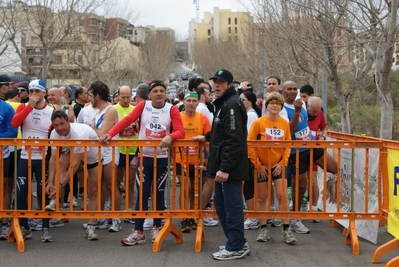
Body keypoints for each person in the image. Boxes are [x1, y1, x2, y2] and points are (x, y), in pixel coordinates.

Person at [99, 80, 184, 246]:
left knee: (158, 194)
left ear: (166, 94)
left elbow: (180, 131)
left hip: (161, 159)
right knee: (142, 193)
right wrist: (110, 133)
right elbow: (127, 120)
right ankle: (138, 232)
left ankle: (156, 228)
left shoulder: (172, 109)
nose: (159, 93)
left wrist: (171, 136)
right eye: (156, 91)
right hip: (144, 158)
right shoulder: (143, 106)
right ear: (150, 94)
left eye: (162, 91)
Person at [193, 69, 250, 260]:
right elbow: (222, 130)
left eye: (221, 82)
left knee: (231, 206)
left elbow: (234, 139)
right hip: (224, 165)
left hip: (230, 168)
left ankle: (236, 245)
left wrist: (225, 168)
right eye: (215, 82)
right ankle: (236, 241)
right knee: (221, 203)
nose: (216, 85)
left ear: (230, 85)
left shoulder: (232, 105)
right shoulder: (224, 103)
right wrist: (206, 136)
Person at [280, 81, 337, 234]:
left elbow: (309, 119)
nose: (292, 92)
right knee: (301, 184)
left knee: (335, 168)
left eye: (294, 89)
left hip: (310, 145)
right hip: (295, 151)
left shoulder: (302, 103)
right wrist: (297, 112)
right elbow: (288, 131)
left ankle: (341, 208)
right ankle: (295, 218)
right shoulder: (282, 109)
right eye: (288, 89)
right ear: (282, 91)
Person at [247, 92, 297, 244]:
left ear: (281, 106)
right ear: (266, 106)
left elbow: (288, 144)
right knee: (262, 197)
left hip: (279, 166)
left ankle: (286, 229)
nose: (274, 105)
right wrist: (258, 165)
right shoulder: (259, 123)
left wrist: (282, 163)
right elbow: (250, 144)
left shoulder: (284, 124)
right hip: (261, 165)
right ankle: (263, 228)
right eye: (271, 103)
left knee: (282, 195)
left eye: (277, 103)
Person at [45, 111, 101, 240]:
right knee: (62, 161)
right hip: (76, 152)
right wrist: (51, 182)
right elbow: (53, 159)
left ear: (69, 122)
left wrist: (61, 185)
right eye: (56, 125)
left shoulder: (79, 133)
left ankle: (90, 227)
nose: (59, 128)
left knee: (93, 190)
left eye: (62, 124)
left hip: (93, 156)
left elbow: (75, 165)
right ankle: (55, 201)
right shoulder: (54, 133)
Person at [11, 79, 53, 242]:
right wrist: (29, 105)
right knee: (21, 193)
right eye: (31, 91)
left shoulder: (51, 111)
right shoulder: (23, 107)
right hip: (24, 157)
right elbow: (14, 123)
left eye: (37, 91)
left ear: (44, 93)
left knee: (44, 194)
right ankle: (24, 226)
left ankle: (45, 227)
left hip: (43, 158)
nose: (34, 94)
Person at [177, 91, 211, 232]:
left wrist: (209, 158)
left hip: (198, 160)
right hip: (181, 159)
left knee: (194, 190)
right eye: (188, 100)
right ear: (183, 102)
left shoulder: (203, 118)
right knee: (186, 188)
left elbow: (209, 140)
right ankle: (185, 217)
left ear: (198, 103)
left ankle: (192, 215)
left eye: (193, 101)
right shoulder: (177, 118)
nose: (191, 103)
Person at [239, 90, 261, 231]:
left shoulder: (251, 116)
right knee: (247, 186)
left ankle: (253, 217)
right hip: (246, 155)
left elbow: (249, 138)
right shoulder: (248, 114)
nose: (240, 102)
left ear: (250, 102)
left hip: (248, 156)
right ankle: (252, 215)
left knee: (248, 187)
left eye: (243, 99)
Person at [113, 85, 137, 212]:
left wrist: (134, 126)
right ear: (118, 96)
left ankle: (128, 208)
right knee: (116, 180)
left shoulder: (135, 109)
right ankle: (115, 208)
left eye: (128, 97)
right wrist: (122, 128)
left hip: (132, 148)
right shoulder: (113, 109)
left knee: (130, 181)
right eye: (123, 97)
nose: (126, 100)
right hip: (118, 148)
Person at [0, 80, 18, 240]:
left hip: (4, 154)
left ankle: (5, 223)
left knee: (5, 186)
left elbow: (13, 131)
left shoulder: (6, 108)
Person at [306, 96, 328, 222]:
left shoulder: (319, 113)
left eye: (318, 110)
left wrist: (322, 137)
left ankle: (313, 209)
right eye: (313, 111)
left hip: (313, 150)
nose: (316, 113)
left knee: (313, 179)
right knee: (299, 180)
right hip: (299, 151)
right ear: (307, 106)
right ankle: (297, 207)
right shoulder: (301, 113)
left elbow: (324, 127)